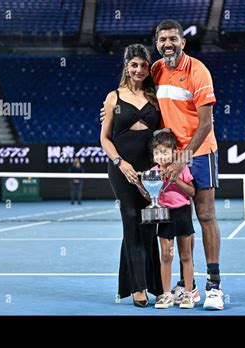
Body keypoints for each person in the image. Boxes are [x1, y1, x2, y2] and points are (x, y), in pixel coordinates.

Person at [101, 20, 224, 310]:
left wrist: (181, 158)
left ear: (183, 41)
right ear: (156, 43)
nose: (167, 44)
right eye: (162, 40)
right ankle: (187, 287)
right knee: (176, 221)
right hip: (166, 158)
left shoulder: (198, 71)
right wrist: (109, 113)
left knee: (205, 215)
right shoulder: (155, 69)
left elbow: (206, 125)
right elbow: (133, 96)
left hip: (199, 153)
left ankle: (214, 286)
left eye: (173, 39)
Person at [100, 43, 162, 307]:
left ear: (149, 68)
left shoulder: (155, 96)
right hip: (121, 170)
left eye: (143, 65)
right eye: (134, 65)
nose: (139, 70)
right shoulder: (113, 97)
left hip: (151, 174)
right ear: (126, 66)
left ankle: (154, 283)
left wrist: (160, 168)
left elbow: (164, 135)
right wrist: (120, 162)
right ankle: (138, 288)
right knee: (130, 221)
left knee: (149, 227)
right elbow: (104, 138)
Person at [150, 129, 196, 309]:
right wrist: (147, 185)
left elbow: (192, 192)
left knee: (186, 255)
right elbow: (149, 196)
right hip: (164, 215)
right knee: (166, 255)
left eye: (164, 152)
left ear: (174, 152)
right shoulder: (153, 172)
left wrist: (176, 180)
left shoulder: (182, 168)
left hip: (182, 213)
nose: (160, 156)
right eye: (157, 152)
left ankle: (188, 294)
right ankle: (166, 294)